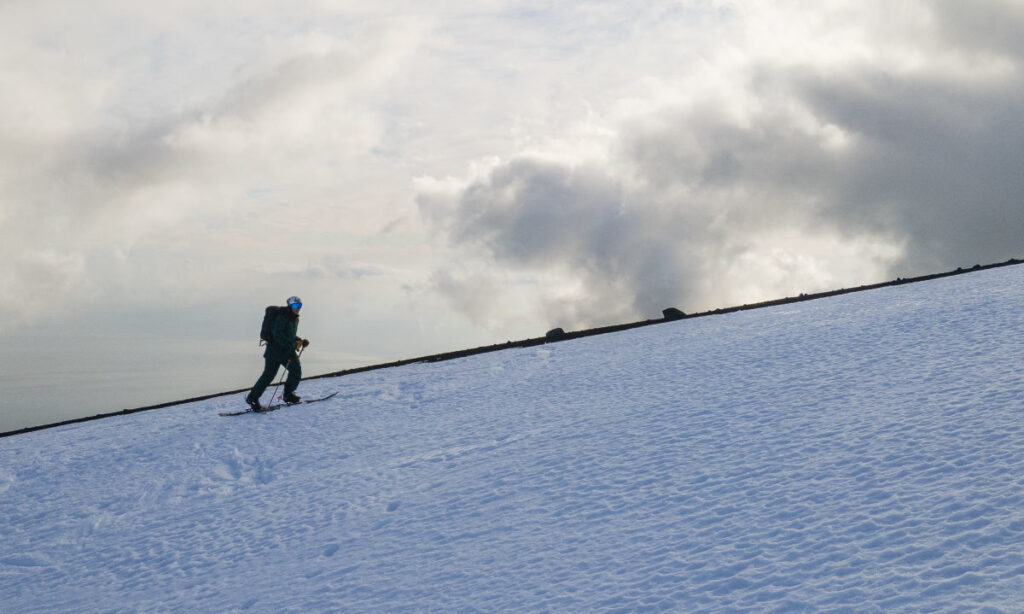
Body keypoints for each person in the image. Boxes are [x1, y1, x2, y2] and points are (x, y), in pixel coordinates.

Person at [246, 296, 310, 411]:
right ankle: (252, 398)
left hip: (287, 351)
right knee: (268, 376)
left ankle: (288, 394)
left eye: (299, 306)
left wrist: (300, 341)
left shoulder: (295, 318)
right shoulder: (282, 317)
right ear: (290, 306)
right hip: (274, 352)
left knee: (296, 371)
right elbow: (277, 335)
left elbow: (289, 335)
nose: (298, 308)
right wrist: (293, 344)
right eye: (295, 306)